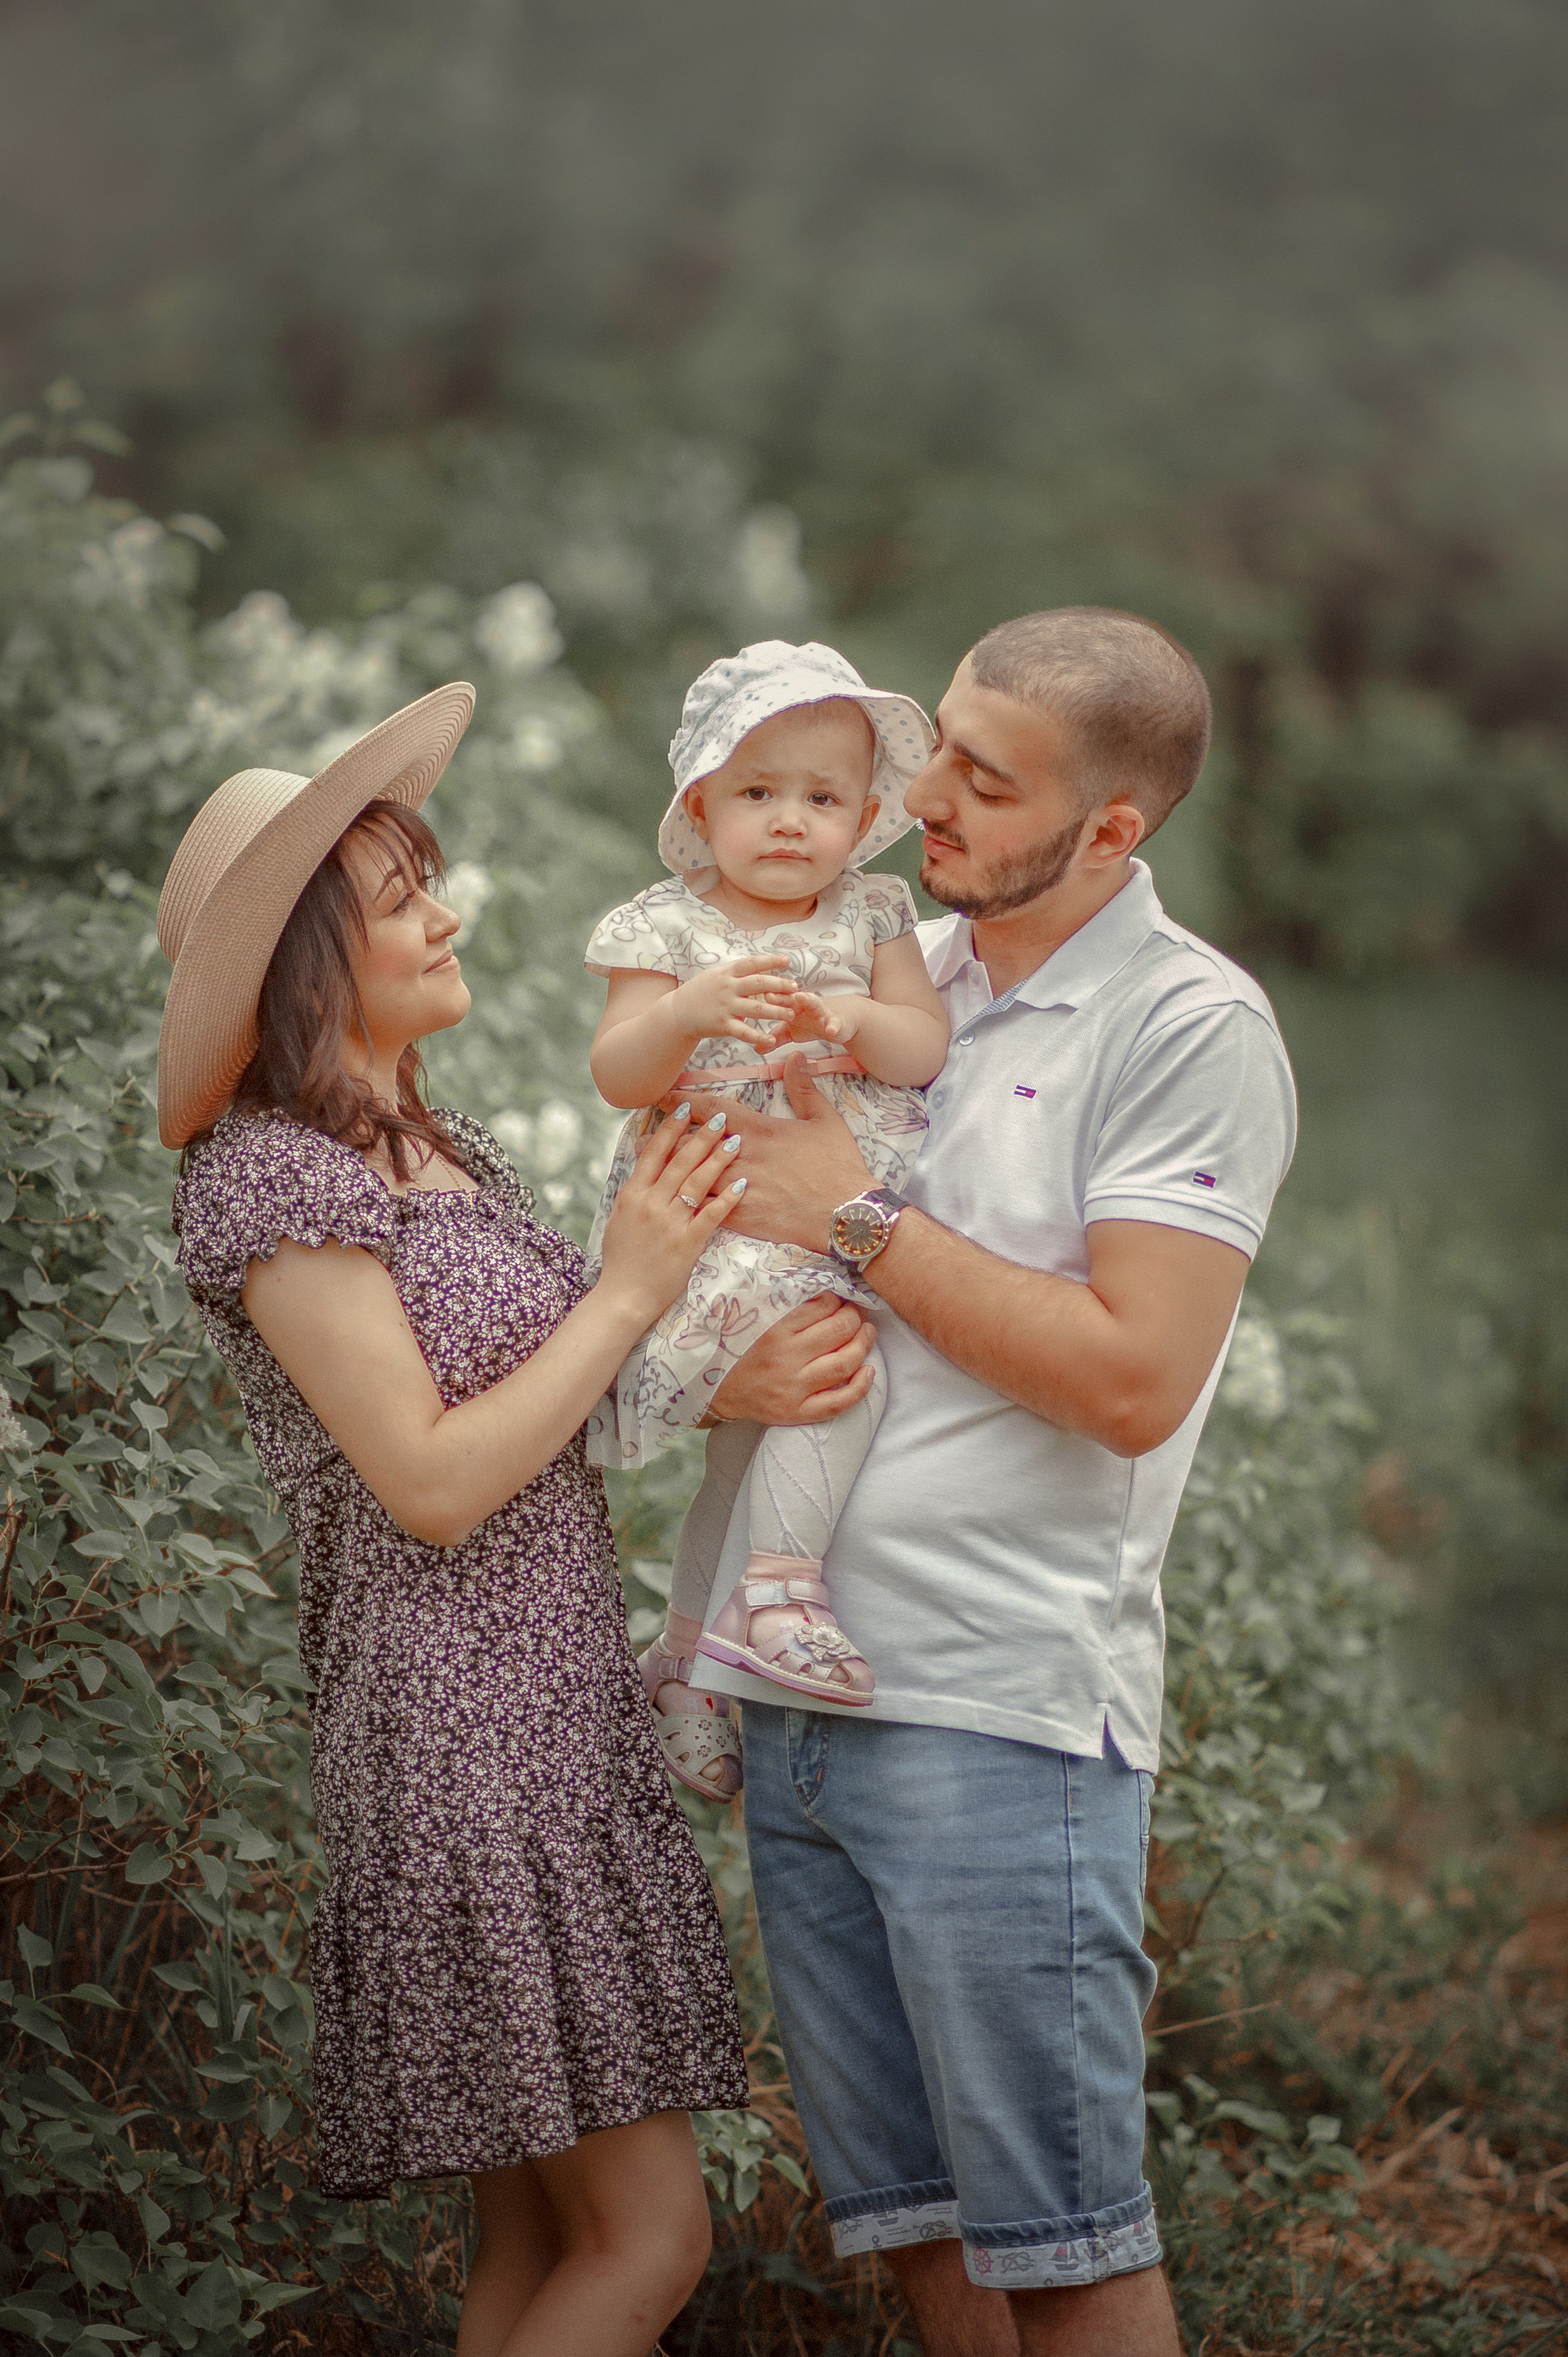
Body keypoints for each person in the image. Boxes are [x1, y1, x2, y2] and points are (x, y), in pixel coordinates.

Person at [694, 610, 1299, 2357]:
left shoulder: (1189, 1026)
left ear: (1112, 828)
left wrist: (855, 1217)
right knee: (928, 2243)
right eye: (938, 744)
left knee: (1067, 2253)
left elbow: (1131, 1382)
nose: (920, 795)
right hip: (800, 1699)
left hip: (998, 1714)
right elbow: (749, 1267)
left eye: (984, 777)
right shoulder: (891, 975)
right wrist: (726, 1376)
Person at [157, 686, 769, 2357]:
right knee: (653, 2240)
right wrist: (629, 1286)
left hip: (554, 1717)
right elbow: (427, 1483)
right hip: (461, 1742)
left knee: (539, 2240)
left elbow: (570, 1406)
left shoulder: (442, 1148)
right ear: (306, 964)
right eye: (399, 897)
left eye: (431, 880)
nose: (447, 914)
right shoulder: (274, 1177)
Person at [582, 641, 946, 1799]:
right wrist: (685, 1013)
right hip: (712, 1217)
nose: (791, 820)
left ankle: (687, 1659)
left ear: (868, 819)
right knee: (841, 1379)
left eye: (824, 799)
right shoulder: (664, 928)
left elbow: (922, 1046)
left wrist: (854, 1022)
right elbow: (619, 1074)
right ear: (701, 805)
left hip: (826, 1208)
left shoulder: (876, 913)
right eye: (757, 792)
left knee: (752, 1448)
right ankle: (780, 1596)